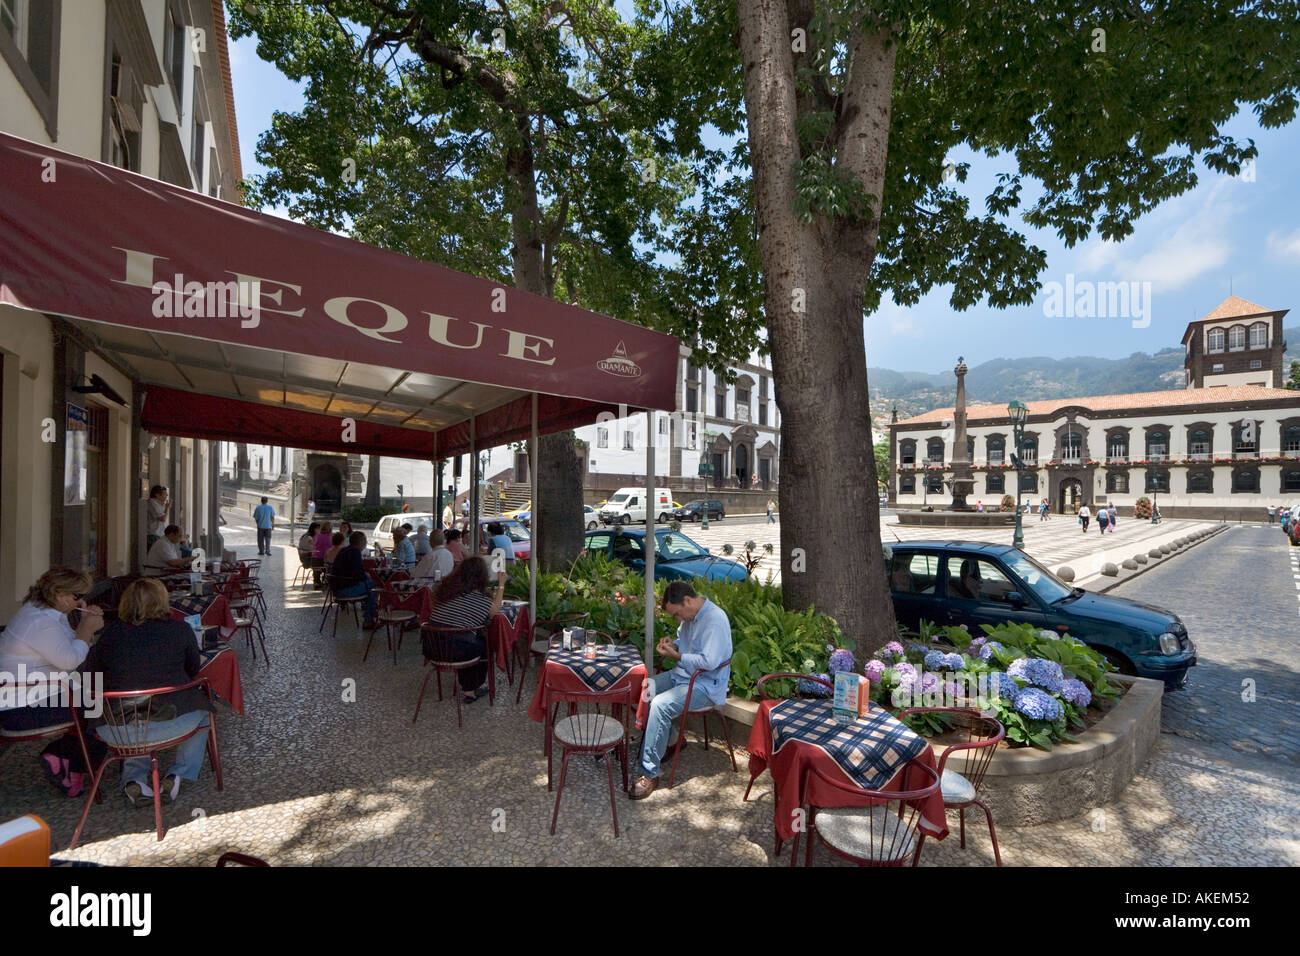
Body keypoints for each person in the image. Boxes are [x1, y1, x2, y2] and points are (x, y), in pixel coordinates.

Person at [82, 579, 214, 806]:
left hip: (115, 730)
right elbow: (193, 671)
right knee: (205, 712)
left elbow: (91, 675)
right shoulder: (180, 629)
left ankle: (134, 780)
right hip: (169, 724)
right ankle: (178, 774)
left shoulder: (110, 635)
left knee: (132, 716)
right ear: (163, 601)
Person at [0, 567, 105, 797]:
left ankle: (68, 757)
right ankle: (67, 759)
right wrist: (86, 629)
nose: (82, 600)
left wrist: (84, 626)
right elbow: (69, 660)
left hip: (32, 695)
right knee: (105, 709)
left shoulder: (40, 613)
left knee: (95, 695)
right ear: (59, 594)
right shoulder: (40, 622)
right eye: (77, 596)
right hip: (24, 708)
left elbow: (67, 650)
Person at [631, 581, 732, 800]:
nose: (678, 619)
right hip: (684, 675)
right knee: (645, 688)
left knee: (659, 704)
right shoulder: (690, 616)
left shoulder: (715, 619)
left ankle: (649, 773)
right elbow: (684, 644)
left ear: (687, 601)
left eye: (677, 614)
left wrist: (677, 656)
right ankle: (673, 739)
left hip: (705, 685)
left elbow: (710, 661)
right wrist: (673, 645)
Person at [426, 557, 505, 703]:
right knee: (482, 644)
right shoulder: (481, 600)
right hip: (458, 652)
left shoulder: (444, 593)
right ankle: (472, 688)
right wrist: (501, 585)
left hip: (431, 648)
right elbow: (494, 611)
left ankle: (469, 686)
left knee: (465, 638)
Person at [330, 531, 380, 628]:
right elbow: (360, 574)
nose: (366, 543)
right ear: (361, 542)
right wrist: (367, 575)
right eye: (365, 541)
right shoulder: (355, 552)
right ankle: (369, 619)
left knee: (369, 587)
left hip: (336, 589)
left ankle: (369, 617)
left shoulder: (344, 550)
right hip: (345, 590)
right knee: (374, 585)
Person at [312, 521, 334, 587]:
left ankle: (316, 581)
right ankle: (326, 580)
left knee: (317, 569)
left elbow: (314, 545)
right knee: (330, 565)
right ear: (330, 528)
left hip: (315, 558)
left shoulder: (317, 535)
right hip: (326, 559)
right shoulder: (332, 536)